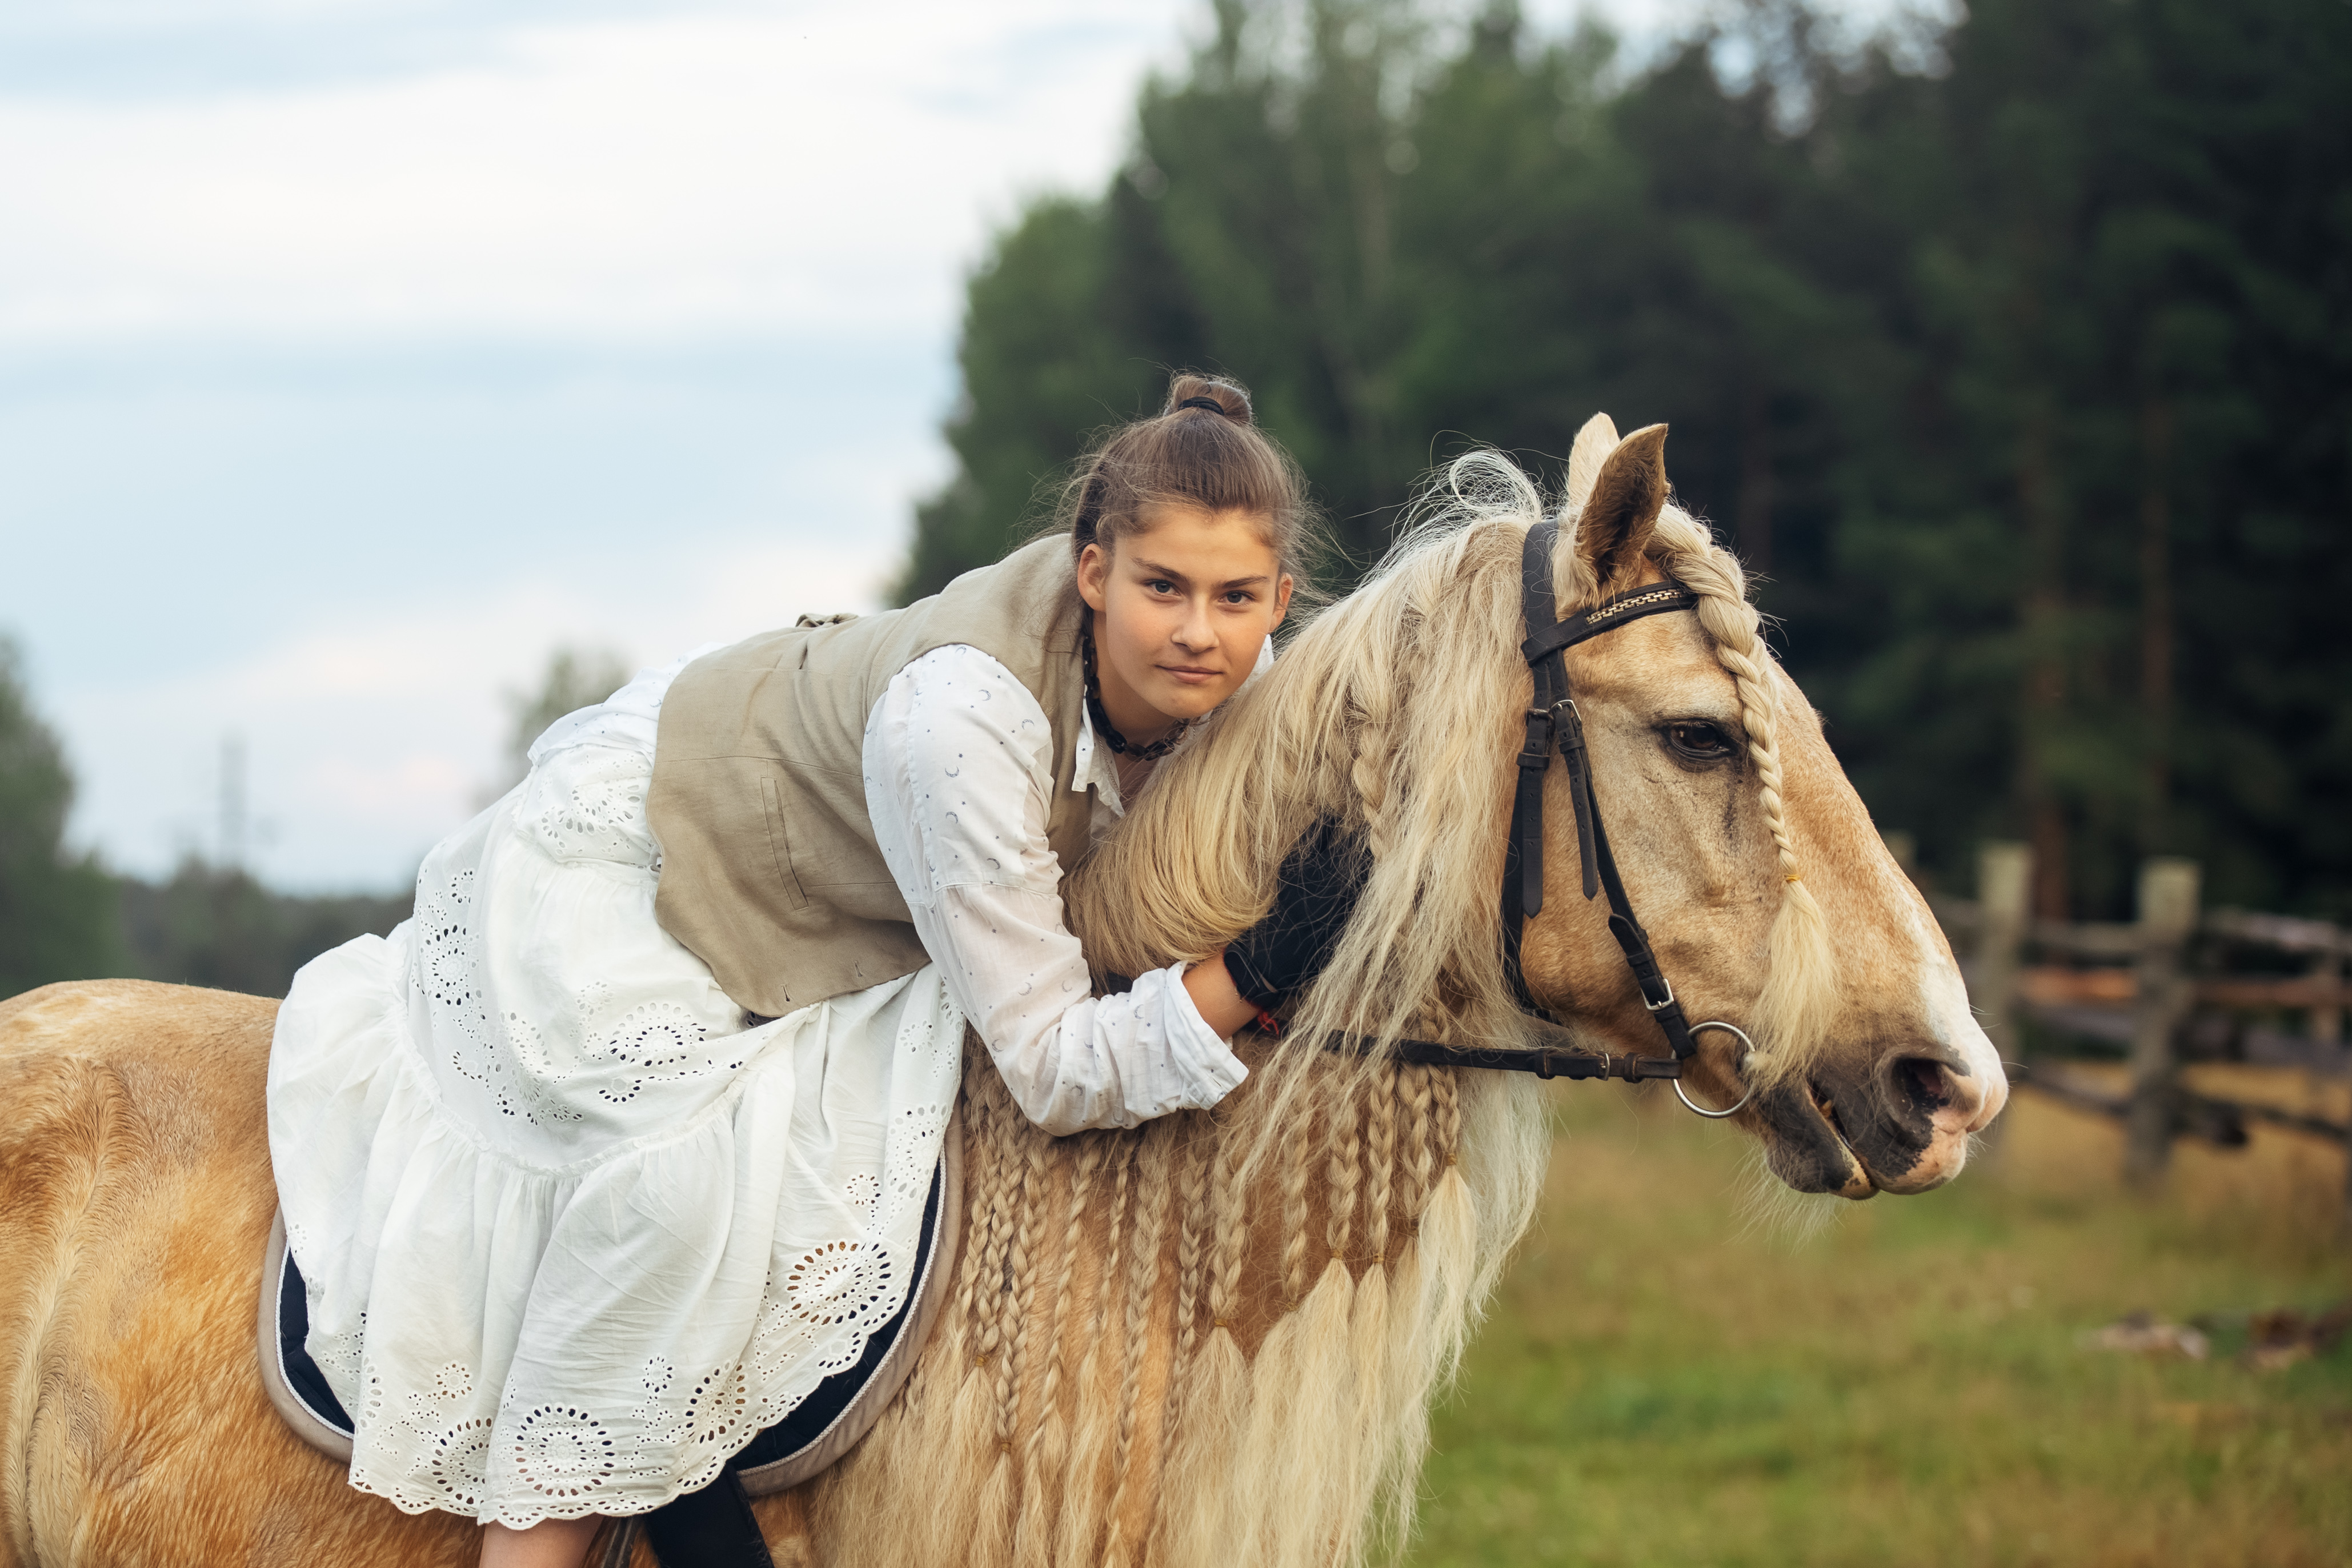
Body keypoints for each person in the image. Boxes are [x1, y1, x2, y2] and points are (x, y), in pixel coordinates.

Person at [267, 375, 1361, 1568]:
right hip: (668, 853)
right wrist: (1255, 967)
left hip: (859, 909)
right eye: (1162, 587)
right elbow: (1049, 1065)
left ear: (1279, 602)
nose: (1197, 629)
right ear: (1090, 569)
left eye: (1234, 597)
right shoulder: (964, 716)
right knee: (670, 1189)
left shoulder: (1241, 682)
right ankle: (546, 1515)